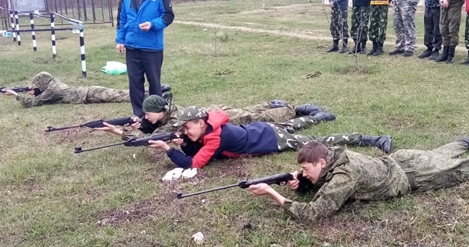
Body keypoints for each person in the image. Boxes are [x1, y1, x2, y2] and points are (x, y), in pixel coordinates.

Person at [247, 130, 469, 222]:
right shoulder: (334, 155)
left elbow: (315, 213)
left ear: (321, 161)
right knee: (438, 154)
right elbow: (323, 181)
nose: (304, 172)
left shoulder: (344, 175)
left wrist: (275, 194)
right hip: (403, 159)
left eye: (307, 168)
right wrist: (301, 184)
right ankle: (464, 142)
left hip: (414, 175)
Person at [147, 106, 393, 170]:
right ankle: (319, 114)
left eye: (188, 128)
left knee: (322, 140)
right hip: (262, 128)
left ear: (201, 123)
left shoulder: (214, 138)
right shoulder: (210, 125)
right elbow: (195, 148)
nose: (186, 131)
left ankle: (374, 139)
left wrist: (169, 150)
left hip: (270, 140)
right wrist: (185, 142)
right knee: (294, 123)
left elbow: (196, 164)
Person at [97, 96, 337, 140]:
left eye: (148, 113)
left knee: (257, 116)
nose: (146, 116)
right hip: (212, 112)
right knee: (250, 109)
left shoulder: (175, 120)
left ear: (160, 111)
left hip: (223, 119)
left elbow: (158, 136)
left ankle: (297, 108)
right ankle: (273, 103)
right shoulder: (165, 114)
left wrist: (121, 132)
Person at [116, 0, 175, 118]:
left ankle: (157, 114)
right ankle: (139, 114)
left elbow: (168, 16)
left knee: (154, 82)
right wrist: (120, 40)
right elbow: (121, 18)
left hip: (152, 47)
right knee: (134, 82)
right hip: (132, 45)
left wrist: (153, 24)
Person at [0, 71, 149, 108]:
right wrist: (33, 90)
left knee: (120, 96)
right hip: (89, 91)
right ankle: (151, 91)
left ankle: (149, 94)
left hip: (88, 95)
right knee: (119, 92)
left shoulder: (52, 91)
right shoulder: (53, 83)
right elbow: (41, 92)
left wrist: (15, 94)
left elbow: (32, 103)